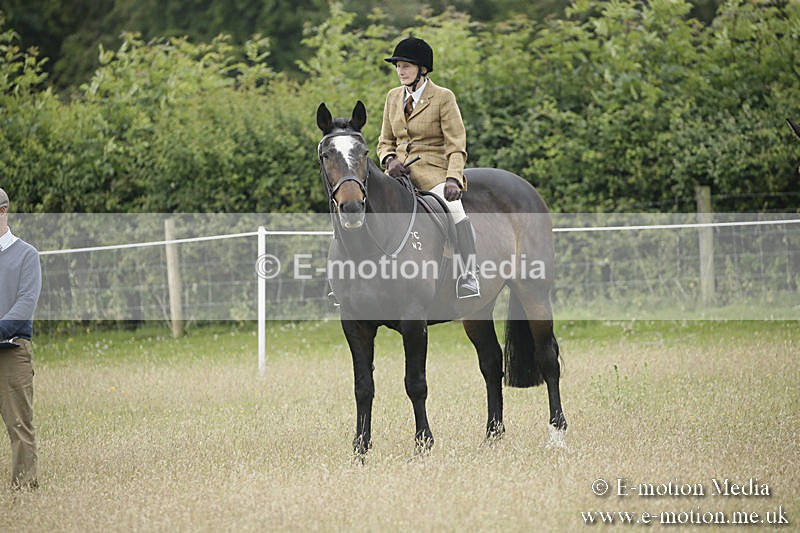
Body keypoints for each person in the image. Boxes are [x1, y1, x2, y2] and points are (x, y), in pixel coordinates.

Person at [377, 37, 481, 299]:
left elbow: (456, 144)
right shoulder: (392, 97)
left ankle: (469, 275)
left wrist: (454, 179)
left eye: (406, 66)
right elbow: (384, 141)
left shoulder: (443, 98)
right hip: (397, 174)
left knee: (455, 210)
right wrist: (389, 160)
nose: (400, 71)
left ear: (423, 69)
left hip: (433, 170)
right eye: (398, 66)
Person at [0, 187, 41, 490]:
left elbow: (25, 303)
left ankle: (24, 493)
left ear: (2, 212)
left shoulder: (27, 255)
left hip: (12, 352)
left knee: (18, 426)